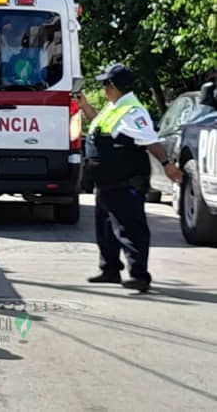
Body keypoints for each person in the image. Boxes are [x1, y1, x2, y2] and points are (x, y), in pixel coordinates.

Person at [76, 64, 183, 292]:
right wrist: (85, 107)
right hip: (108, 182)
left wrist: (167, 165)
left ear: (113, 86)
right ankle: (110, 269)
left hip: (125, 181)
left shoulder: (133, 111)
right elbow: (99, 127)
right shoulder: (114, 107)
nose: (104, 89)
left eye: (105, 84)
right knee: (105, 228)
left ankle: (139, 275)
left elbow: (149, 141)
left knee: (130, 228)